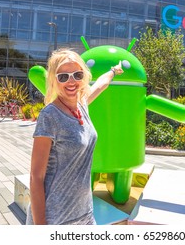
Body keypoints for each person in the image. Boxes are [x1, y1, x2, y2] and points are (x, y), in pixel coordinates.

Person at [26, 49, 123, 225]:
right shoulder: (50, 116)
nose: (71, 81)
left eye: (77, 75)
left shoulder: (81, 104)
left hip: (85, 211)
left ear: (84, 76)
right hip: (56, 216)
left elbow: (101, 84)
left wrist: (113, 71)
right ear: (54, 80)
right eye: (63, 76)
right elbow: (35, 176)